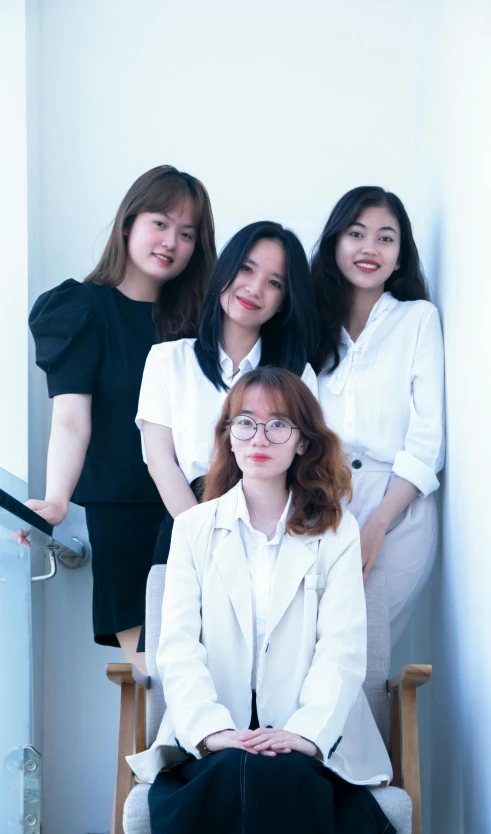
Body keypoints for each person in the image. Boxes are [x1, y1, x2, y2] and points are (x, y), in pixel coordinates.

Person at [127, 367, 394, 834]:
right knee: (233, 773)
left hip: (311, 737)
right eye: (245, 422)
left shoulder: (337, 531)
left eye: (279, 424)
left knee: (280, 774)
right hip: (211, 734)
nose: (260, 437)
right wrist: (211, 732)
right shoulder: (193, 528)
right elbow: (178, 647)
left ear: (303, 442)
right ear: (228, 437)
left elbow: (343, 648)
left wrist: (306, 734)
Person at [14, 165, 216, 673]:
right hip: (123, 514)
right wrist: (56, 500)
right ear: (129, 222)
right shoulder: (82, 309)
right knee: (159, 680)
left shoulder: (202, 323)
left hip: (202, 510)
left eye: (187, 233)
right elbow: (71, 421)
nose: (172, 241)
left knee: (221, 674)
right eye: (161, 223)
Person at [134, 220, 320, 653]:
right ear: (225, 270)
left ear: (284, 302)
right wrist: (204, 539)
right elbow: (160, 461)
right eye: (247, 269)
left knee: (270, 661)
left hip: (273, 529)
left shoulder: (296, 375)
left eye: (274, 282)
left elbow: (306, 462)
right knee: (180, 661)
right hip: (188, 519)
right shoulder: (167, 360)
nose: (255, 288)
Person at [312, 185, 445, 648]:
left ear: (401, 255)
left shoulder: (418, 320)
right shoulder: (308, 326)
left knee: (361, 656)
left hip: (398, 511)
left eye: (386, 238)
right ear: (335, 244)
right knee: (308, 656)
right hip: (319, 504)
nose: (370, 248)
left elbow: (428, 440)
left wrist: (378, 523)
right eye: (357, 233)